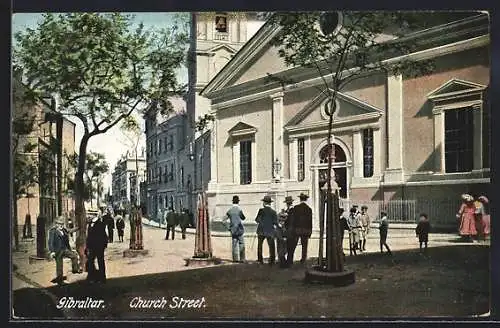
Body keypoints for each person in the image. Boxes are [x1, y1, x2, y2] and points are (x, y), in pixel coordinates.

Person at [48, 216, 82, 285]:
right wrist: (52, 251)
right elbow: (50, 242)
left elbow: (70, 230)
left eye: (62, 224)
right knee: (59, 266)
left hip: (65, 249)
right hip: (58, 251)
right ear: (56, 224)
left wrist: (79, 227)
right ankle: (60, 281)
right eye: (59, 224)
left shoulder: (64, 230)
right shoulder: (53, 231)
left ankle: (75, 270)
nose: (61, 225)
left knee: (74, 256)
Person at [287, 193, 313, 266]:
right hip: (305, 230)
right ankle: (303, 260)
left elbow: (292, 220)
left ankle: (290, 260)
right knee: (304, 246)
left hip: (296, 230)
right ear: (306, 199)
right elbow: (310, 221)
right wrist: (310, 231)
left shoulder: (296, 208)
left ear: (300, 199)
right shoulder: (309, 209)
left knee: (293, 245)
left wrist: (292, 229)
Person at [255, 195, 279, 266]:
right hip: (270, 231)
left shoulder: (261, 211)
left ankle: (260, 260)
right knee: (271, 246)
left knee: (260, 245)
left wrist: (261, 222)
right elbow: (275, 222)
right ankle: (272, 260)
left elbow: (257, 220)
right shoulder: (273, 212)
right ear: (270, 203)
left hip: (261, 230)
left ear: (264, 203)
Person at [86, 213, 108, 283]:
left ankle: (102, 278)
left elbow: (104, 235)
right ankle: (92, 278)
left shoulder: (100, 224)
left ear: (94, 215)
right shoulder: (90, 224)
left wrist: (104, 245)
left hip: (99, 246)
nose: (88, 216)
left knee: (100, 262)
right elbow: (89, 237)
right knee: (90, 261)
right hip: (92, 247)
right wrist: (87, 246)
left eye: (90, 214)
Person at [224, 195, 246, 263]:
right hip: (239, 229)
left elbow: (223, 220)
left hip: (233, 229)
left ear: (232, 202)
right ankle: (242, 259)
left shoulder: (230, 210)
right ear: (238, 202)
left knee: (234, 244)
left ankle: (235, 259)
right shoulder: (239, 210)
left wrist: (229, 227)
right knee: (241, 243)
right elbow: (243, 218)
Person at [277, 196, 294, 268]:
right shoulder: (287, 210)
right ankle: (287, 262)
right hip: (287, 230)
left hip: (288, 230)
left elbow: (289, 221)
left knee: (288, 247)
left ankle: (287, 262)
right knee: (287, 247)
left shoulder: (292, 211)